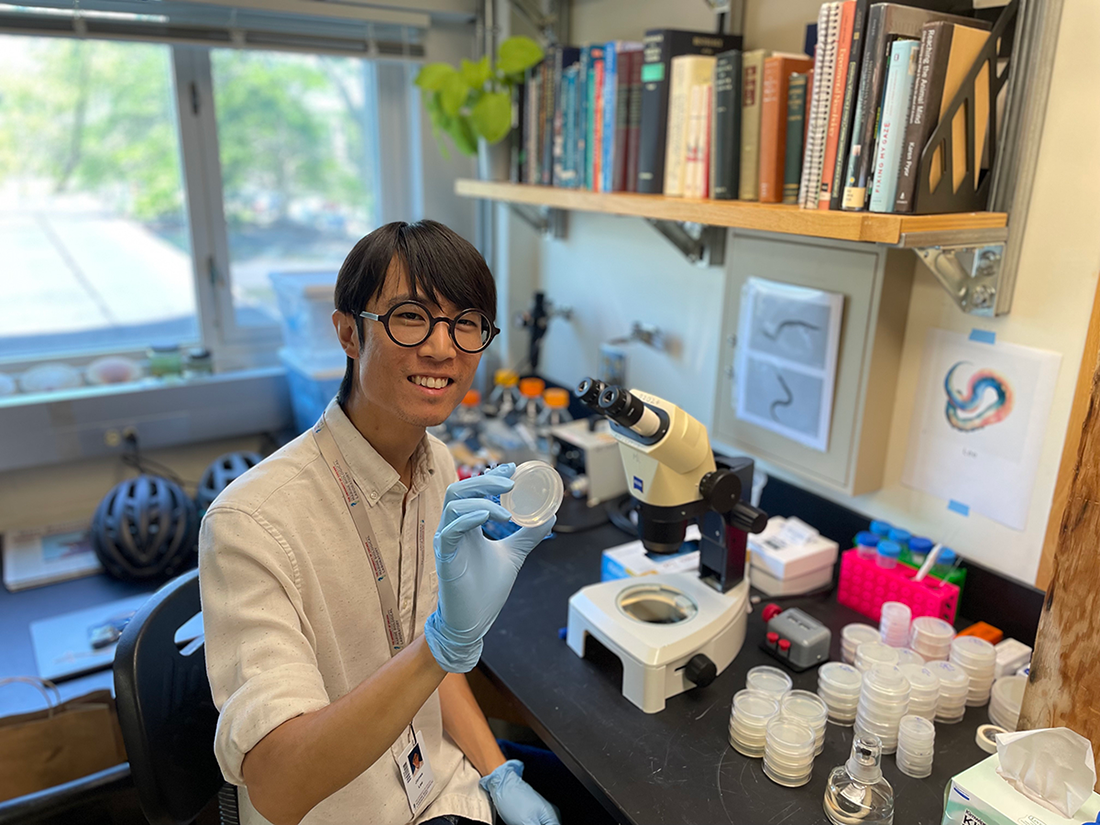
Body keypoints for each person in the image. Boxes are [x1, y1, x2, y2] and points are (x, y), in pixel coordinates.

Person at [199, 220, 559, 825]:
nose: (443, 348)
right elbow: (276, 786)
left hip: (446, 790)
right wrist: (444, 643)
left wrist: (497, 773)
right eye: (411, 316)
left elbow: (426, 655)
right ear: (346, 332)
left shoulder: (437, 464)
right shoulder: (251, 522)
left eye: (465, 322)